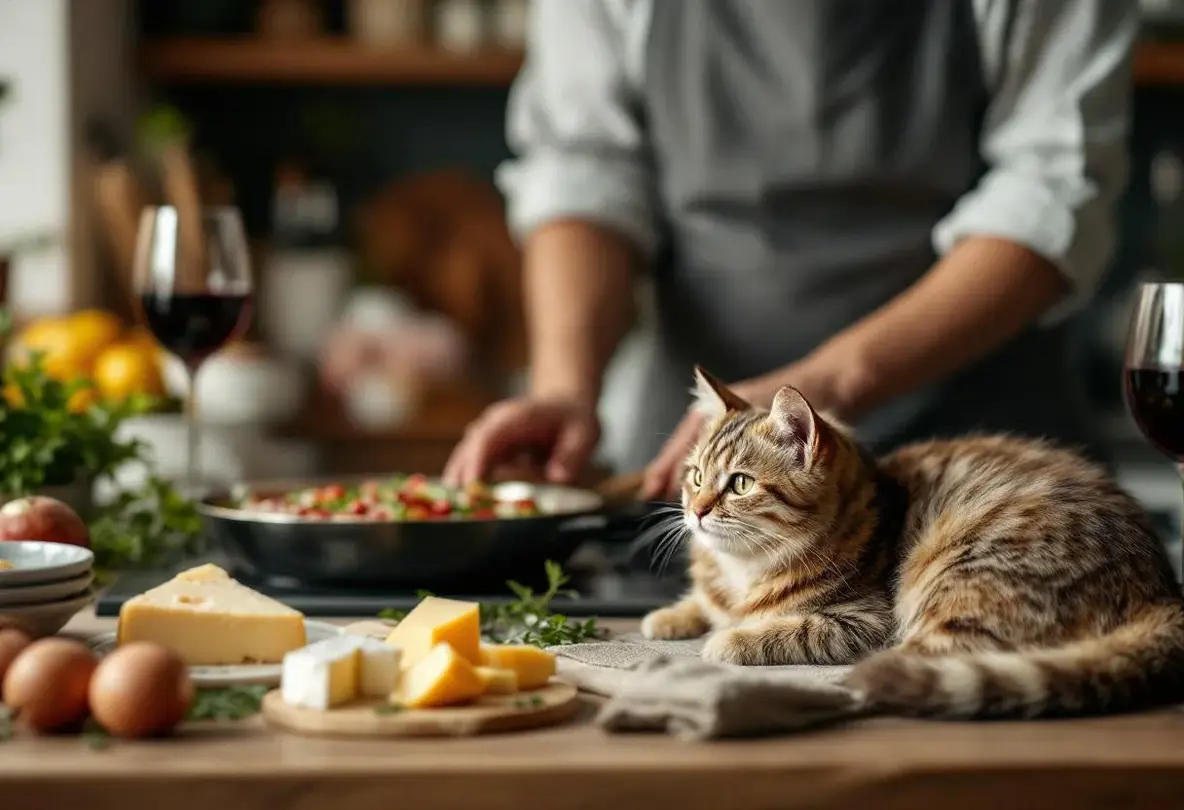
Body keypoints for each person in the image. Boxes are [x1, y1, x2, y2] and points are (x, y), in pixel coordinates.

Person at [442, 0, 1138, 501]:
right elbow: (585, 171)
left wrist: (810, 400)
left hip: (975, 477)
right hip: (699, 478)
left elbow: (1052, 188)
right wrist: (566, 388)